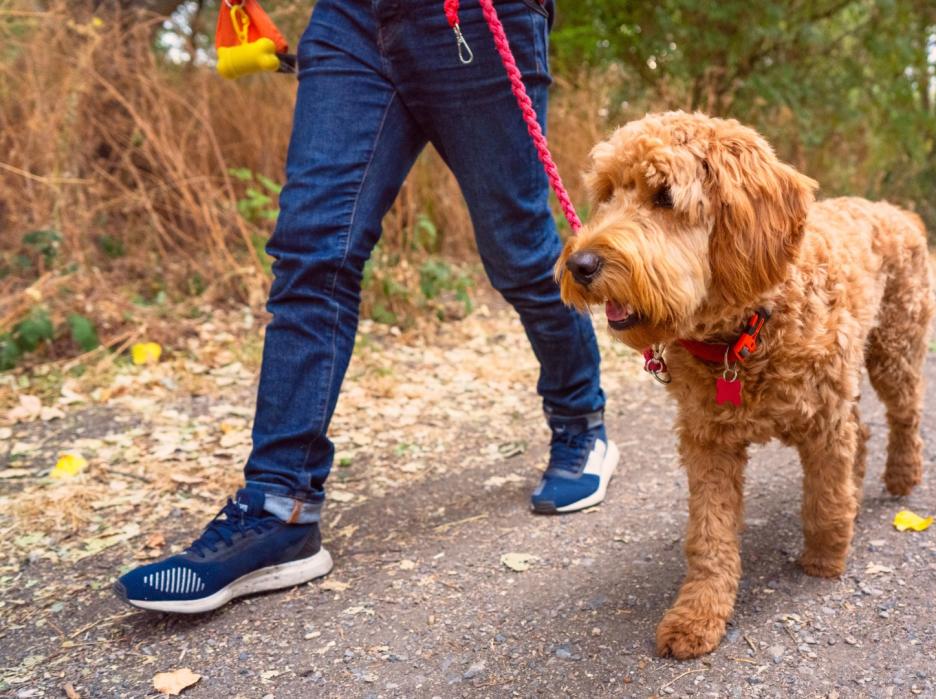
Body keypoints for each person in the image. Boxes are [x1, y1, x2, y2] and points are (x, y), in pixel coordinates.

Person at [113, 0, 618, 613]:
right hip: (350, 20)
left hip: (471, 23)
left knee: (520, 254)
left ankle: (580, 425)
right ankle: (281, 508)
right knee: (312, 249)